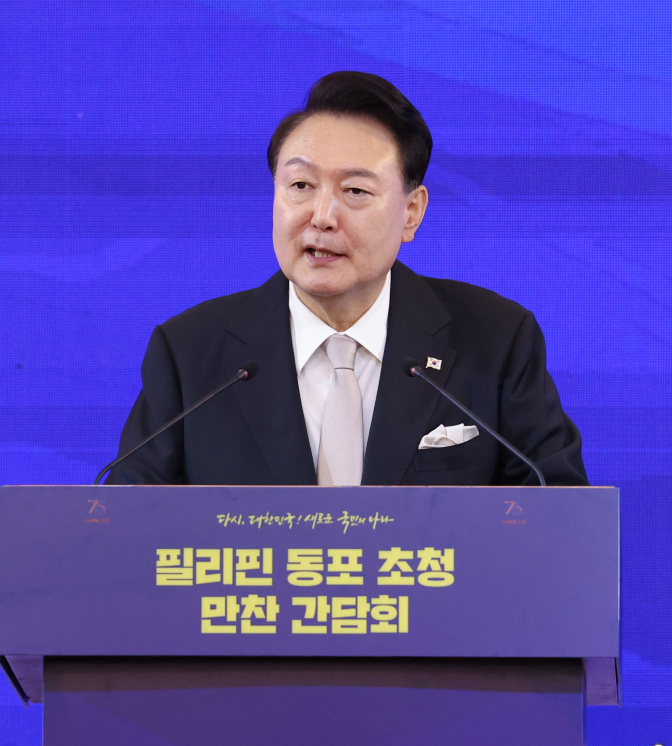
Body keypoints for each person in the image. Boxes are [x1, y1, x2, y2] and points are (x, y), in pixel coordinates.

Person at [111, 71, 588, 487]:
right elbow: (124, 534)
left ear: (411, 212)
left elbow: (561, 519)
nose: (321, 216)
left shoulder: (496, 340)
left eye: (355, 190)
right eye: (300, 186)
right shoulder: (190, 353)